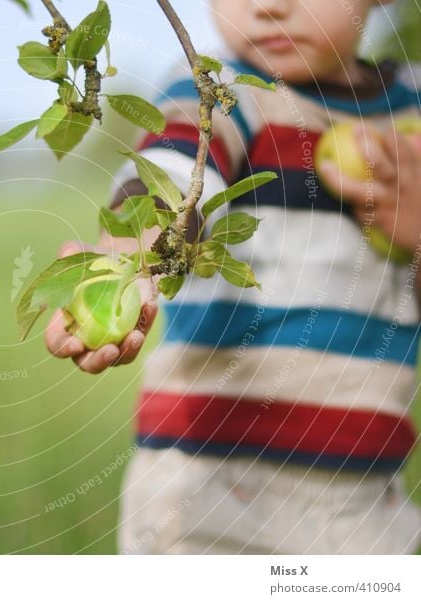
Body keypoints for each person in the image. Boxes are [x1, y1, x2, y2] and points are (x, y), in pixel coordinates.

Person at [46, 0, 421, 554]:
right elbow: (170, 171)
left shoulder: (410, 118)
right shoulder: (219, 91)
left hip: (365, 498)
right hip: (207, 485)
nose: (268, 5)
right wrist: (136, 257)